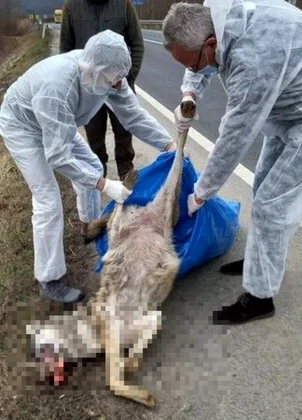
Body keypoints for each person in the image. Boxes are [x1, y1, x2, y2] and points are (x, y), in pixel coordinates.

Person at [161, 0, 302, 325]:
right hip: (290, 100)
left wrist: (201, 192)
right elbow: (195, 58)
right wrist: (190, 93)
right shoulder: (214, 17)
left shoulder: (254, 59)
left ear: (212, 44)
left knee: (272, 203)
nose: (198, 71)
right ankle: (260, 258)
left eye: (198, 67)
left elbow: (235, 137)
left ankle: (259, 296)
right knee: (261, 183)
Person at [0, 30, 175, 304]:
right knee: (48, 200)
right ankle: (49, 279)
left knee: (92, 164)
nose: (118, 85)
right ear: (94, 72)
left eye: (120, 79)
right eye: (113, 81)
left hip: (58, 123)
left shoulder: (108, 74)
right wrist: (105, 185)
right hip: (23, 126)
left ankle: (89, 225)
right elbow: (57, 155)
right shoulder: (58, 87)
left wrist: (169, 145)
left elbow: (134, 115)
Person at [59, 0, 145, 182]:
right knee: (94, 136)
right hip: (88, 89)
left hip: (118, 85)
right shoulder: (71, 7)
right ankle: (99, 177)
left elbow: (137, 45)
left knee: (124, 131)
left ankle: (126, 173)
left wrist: (127, 79)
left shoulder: (124, 5)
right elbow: (65, 51)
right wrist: (76, 86)